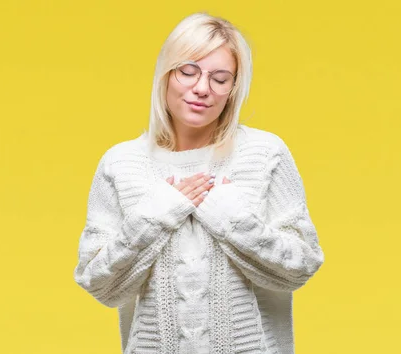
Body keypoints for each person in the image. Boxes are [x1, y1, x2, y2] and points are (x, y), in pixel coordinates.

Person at [73, 12, 324, 354]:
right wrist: (159, 214)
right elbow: (100, 284)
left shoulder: (264, 153)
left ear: (233, 88)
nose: (202, 88)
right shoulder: (121, 163)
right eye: (188, 71)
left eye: (220, 79)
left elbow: (300, 267)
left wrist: (227, 215)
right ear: (166, 74)